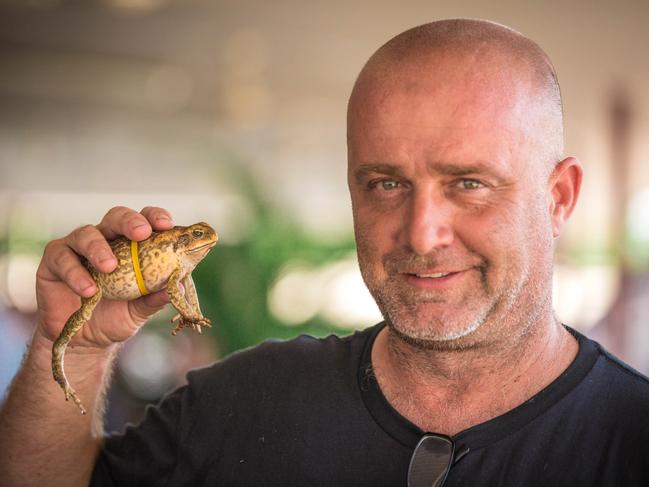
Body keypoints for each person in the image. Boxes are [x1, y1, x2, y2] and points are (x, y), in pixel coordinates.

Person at [1, 18, 648, 487]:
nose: (421, 233)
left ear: (558, 197)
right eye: (386, 184)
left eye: (468, 184)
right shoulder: (238, 401)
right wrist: (79, 346)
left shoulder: (630, 439)